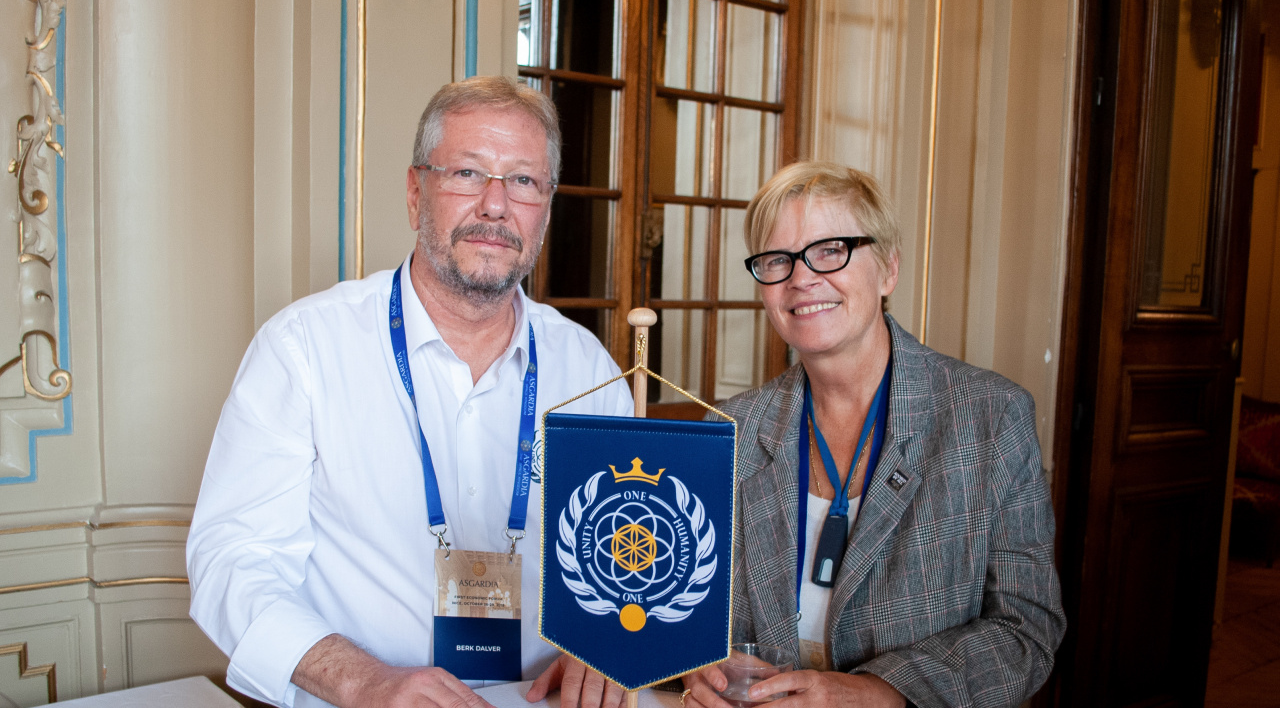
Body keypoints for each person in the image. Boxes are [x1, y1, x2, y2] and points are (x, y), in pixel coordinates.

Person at [187, 76, 634, 708]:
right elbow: (232, 562)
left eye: (524, 182)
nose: (495, 205)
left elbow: (625, 567)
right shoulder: (304, 349)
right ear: (414, 192)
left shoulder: (589, 370)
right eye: (468, 173)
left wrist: (605, 644)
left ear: (547, 209)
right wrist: (363, 681)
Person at [682, 162, 1065, 708]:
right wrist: (699, 668)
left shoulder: (991, 419)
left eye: (831, 249)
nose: (802, 278)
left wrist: (876, 692)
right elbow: (692, 613)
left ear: (888, 270)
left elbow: (1027, 630)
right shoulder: (729, 430)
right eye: (776, 260)